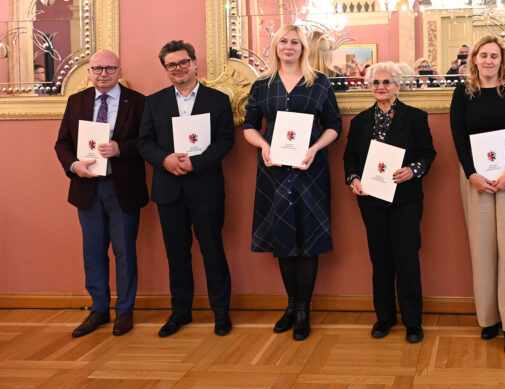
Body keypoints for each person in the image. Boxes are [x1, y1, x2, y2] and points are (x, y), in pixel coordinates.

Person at [243, 24, 342, 340]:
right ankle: (290, 306)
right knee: (283, 238)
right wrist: (264, 146)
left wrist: (315, 148)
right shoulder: (262, 84)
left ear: (303, 48)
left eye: (295, 42)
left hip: (309, 169)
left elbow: (335, 126)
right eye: (283, 41)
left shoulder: (320, 82)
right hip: (273, 170)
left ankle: (303, 311)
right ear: (275, 46)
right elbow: (249, 127)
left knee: (308, 238)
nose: (289, 46)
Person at [138, 40, 235, 337]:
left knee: (212, 251)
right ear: (165, 70)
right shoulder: (154, 102)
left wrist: (197, 163)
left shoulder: (218, 100)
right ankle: (180, 312)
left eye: (183, 62)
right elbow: (144, 142)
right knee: (176, 255)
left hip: (205, 187)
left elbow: (225, 140)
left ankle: (221, 313)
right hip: (169, 190)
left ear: (194, 63)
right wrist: (164, 160)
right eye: (172, 65)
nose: (178, 68)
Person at [54, 49, 148, 338]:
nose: (103, 74)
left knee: (124, 251)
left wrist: (121, 148)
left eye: (109, 68)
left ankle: (125, 310)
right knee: (93, 251)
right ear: (89, 72)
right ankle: (99, 309)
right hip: (87, 187)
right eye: (98, 69)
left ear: (119, 71)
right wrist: (74, 166)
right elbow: (62, 143)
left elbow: (148, 143)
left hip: (123, 188)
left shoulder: (139, 102)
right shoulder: (77, 101)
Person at [449, 36, 505, 357]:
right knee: (482, 248)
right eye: (483, 55)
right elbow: (458, 136)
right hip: (475, 174)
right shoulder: (463, 92)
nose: (488, 60)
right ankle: (489, 319)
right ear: (474, 59)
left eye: (494, 56)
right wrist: (471, 174)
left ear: (501, 60)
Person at [343, 62, 436, 343]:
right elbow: (350, 158)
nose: (380, 87)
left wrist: (413, 170)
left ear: (397, 86)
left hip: (405, 200)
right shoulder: (359, 122)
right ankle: (384, 317)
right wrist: (353, 179)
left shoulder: (416, 117)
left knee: (407, 260)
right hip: (371, 201)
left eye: (386, 82)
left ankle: (412, 321)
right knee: (380, 260)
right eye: (375, 82)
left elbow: (428, 153)